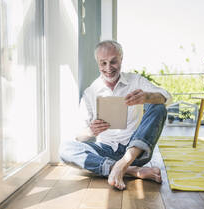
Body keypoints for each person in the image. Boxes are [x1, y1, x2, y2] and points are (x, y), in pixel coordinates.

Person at [59, 40, 172, 190]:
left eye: (113, 62)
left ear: (121, 59)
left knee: (159, 107)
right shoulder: (90, 92)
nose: (108, 68)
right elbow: (79, 136)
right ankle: (129, 170)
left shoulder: (135, 80)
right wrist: (91, 131)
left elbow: (167, 96)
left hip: (134, 152)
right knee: (65, 148)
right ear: (97, 63)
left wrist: (147, 97)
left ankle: (124, 163)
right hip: (105, 150)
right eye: (103, 63)